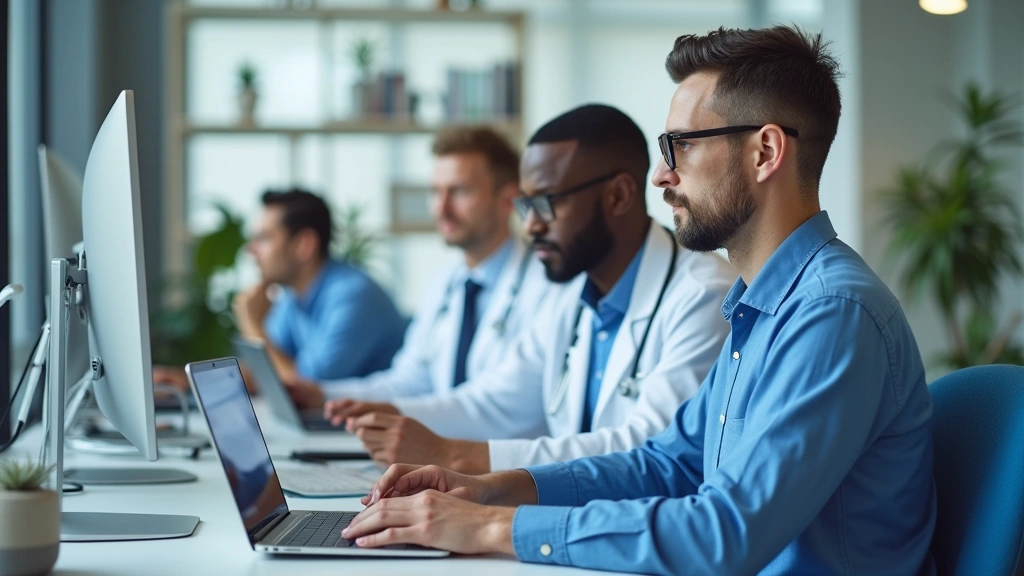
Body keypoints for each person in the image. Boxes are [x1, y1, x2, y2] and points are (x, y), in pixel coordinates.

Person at [337, 26, 937, 576]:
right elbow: (668, 464)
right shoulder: (765, 305)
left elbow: (724, 535)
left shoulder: (831, 313)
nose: (660, 175)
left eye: (680, 146)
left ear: (765, 152)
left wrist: (494, 528)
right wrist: (491, 490)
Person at [324, 104, 736, 474]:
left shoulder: (703, 296)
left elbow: (649, 451)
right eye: (527, 205)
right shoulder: (570, 298)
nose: (532, 225)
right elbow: (494, 404)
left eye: (547, 203)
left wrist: (455, 456)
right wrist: (386, 417)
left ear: (619, 195)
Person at [284, 126, 550, 410]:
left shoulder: (544, 285)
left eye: (459, 191)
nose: (441, 208)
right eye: (435, 192)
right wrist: (322, 395)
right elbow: (409, 382)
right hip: (439, 447)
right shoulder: (445, 284)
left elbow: (502, 404)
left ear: (506, 200)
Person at [153, 189, 408, 394]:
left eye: (263, 238)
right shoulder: (293, 296)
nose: (250, 251)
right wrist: (189, 383)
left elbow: (301, 388)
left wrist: (253, 325)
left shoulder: (354, 297)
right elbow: (269, 370)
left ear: (304, 245)